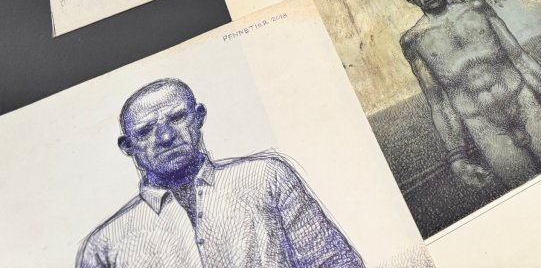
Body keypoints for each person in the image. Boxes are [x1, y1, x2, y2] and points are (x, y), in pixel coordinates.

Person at [77, 79, 363, 268]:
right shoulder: (105, 246)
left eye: (177, 117)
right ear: (127, 147)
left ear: (199, 116)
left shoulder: (266, 177)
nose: (165, 137)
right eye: (145, 131)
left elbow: (335, 262)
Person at [399, 0, 541, 190]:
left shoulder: (477, 9)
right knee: (526, 190)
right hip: (483, 126)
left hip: (524, 105)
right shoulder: (414, 41)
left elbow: (519, 58)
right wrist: (457, 157)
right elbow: (438, 103)